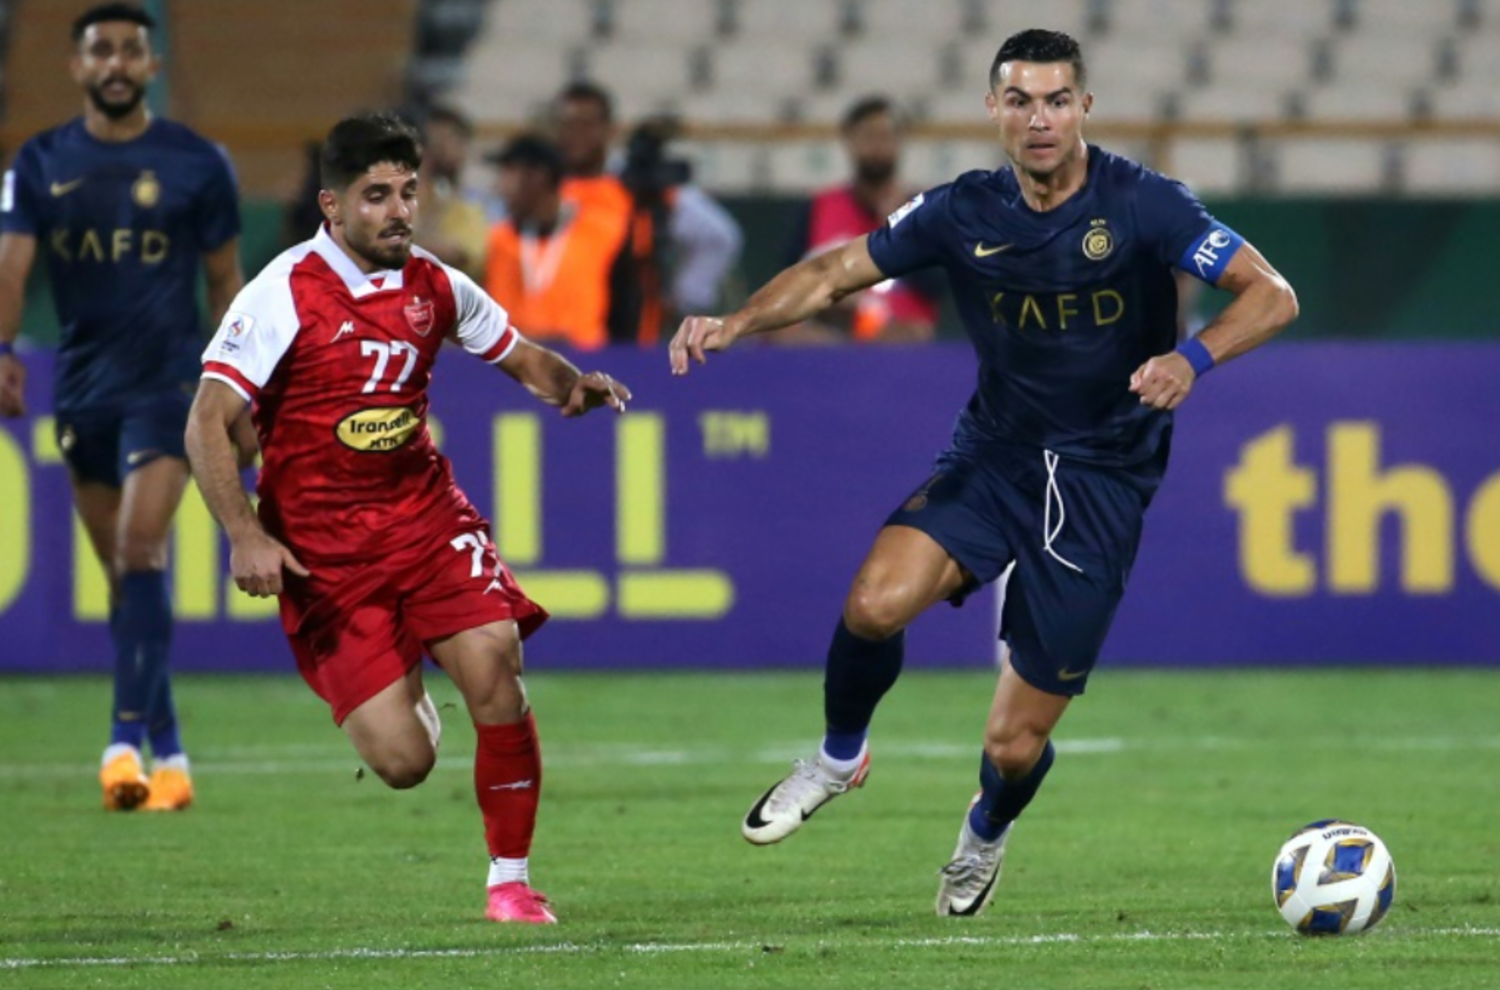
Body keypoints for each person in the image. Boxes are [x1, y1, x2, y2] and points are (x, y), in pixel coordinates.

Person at [669, 30, 1298, 917]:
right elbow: (838, 272)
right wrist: (735, 322)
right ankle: (839, 757)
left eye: (1055, 100)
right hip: (997, 453)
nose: (1038, 119)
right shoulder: (961, 211)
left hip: (1101, 480)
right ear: (993, 110)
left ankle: (985, 833)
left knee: (1011, 746)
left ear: (1083, 108)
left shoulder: (1147, 205)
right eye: (1019, 100)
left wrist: (1192, 358)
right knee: (873, 604)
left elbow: (1272, 292)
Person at [184, 112, 629, 924]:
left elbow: (521, 354)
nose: (399, 211)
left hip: (426, 523)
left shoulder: (436, 285)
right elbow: (206, 420)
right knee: (404, 761)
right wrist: (246, 533)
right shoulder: (282, 293)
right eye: (377, 195)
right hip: (328, 559)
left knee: (495, 662)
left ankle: (511, 881)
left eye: (409, 192)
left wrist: (570, 384)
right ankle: (404, 675)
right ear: (333, 206)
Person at [0, 1, 245, 812]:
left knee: (141, 552)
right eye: (99, 50)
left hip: (172, 384)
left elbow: (223, 281)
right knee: (123, 575)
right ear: (77, 67)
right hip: (82, 389)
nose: (113, 63)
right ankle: (171, 754)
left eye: (129, 51)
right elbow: (12, 267)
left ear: (152, 65)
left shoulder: (197, 164)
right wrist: (3, 351)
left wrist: (239, 378)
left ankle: (119, 746)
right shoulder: (39, 163)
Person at [553, 82, 742, 344]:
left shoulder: (636, 187)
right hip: (553, 326)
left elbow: (718, 237)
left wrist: (684, 297)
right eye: (568, 125)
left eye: (587, 125)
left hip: (625, 326)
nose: (576, 135)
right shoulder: (544, 186)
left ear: (609, 129)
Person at [784, 95, 942, 344]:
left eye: (886, 136)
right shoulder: (819, 207)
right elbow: (788, 283)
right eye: (868, 136)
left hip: (898, 341)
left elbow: (938, 286)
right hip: (830, 337)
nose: (877, 145)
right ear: (850, 141)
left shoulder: (924, 211)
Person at [483, 133, 638, 349]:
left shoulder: (603, 232)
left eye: (508, 172)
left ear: (538, 177)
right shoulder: (499, 239)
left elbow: (627, 309)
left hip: (586, 365)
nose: (500, 187)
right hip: (511, 368)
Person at [413, 105, 490, 282]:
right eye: (433, 141)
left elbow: (462, 254)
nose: (439, 148)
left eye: (447, 140)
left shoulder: (471, 203)